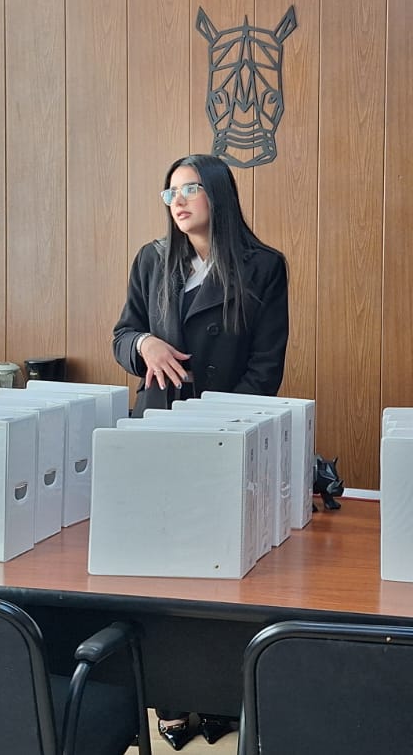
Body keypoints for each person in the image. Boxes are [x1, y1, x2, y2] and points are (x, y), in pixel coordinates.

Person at [111, 153, 289, 748]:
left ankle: (217, 696)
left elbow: (265, 368)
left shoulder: (264, 267)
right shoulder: (152, 259)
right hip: (158, 432)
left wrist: (221, 426)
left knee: (222, 573)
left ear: (218, 193)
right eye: (170, 193)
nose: (178, 201)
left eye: (189, 189)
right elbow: (122, 334)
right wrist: (144, 345)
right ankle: (170, 696)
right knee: (161, 569)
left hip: (226, 435)